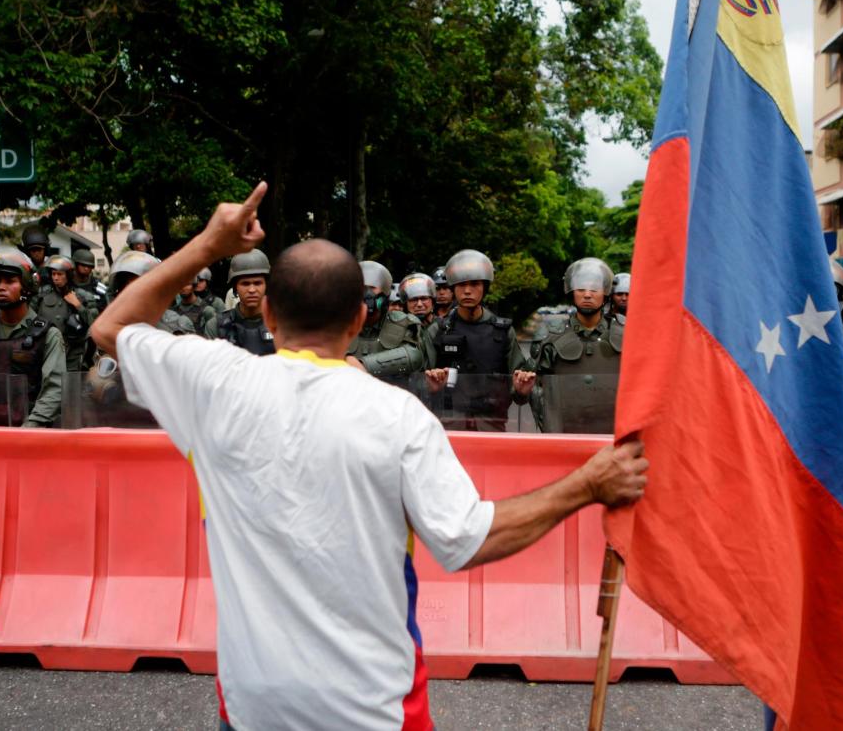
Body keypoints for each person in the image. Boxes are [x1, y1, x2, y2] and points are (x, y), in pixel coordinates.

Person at [89, 182, 647, 731]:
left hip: (253, 707)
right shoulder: (398, 417)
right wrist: (588, 484)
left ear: (270, 318)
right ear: (358, 320)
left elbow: (112, 326)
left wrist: (210, 244)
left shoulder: (212, 384)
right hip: (375, 709)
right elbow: (470, 538)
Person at [420, 249, 534, 431]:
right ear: (453, 288)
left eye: (474, 284)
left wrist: (521, 390)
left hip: (492, 426)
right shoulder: (437, 330)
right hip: (447, 427)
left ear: (485, 287)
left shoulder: (503, 332)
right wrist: (430, 386)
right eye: (460, 284)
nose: (467, 291)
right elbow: (419, 386)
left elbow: (519, 388)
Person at [0, 246, 65, 428]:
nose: (1, 287)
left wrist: (27, 430)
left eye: (10, 281)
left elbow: (54, 390)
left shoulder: (48, 335)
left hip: (30, 434)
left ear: (26, 286)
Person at [532, 258, 622, 433]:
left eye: (594, 289)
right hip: (565, 435)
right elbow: (536, 389)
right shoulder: (550, 337)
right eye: (580, 289)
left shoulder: (626, 334)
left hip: (613, 436)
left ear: (606, 293)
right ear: (571, 292)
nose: (587, 294)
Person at [346, 260, 423, 379]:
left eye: (372, 288)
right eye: (362, 288)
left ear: (385, 292)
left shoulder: (404, 323)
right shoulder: (339, 325)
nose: (367, 294)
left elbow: (414, 356)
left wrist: (361, 365)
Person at [32, 255, 94, 371]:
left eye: (60, 274)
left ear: (68, 276)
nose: (55, 278)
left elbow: (94, 325)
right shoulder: (41, 296)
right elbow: (29, 320)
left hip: (73, 355)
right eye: (53, 274)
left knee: (71, 386)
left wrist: (78, 305)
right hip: (46, 352)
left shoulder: (83, 296)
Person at [208, 250, 275, 355]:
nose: (252, 290)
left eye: (257, 283)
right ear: (235, 288)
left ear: (266, 286)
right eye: (245, 284)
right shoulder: (216, 326)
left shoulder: (283, 324)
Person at [71, 248, 105, 313]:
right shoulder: (66, 286)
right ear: (75, 264)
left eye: (89, 266)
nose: (86, 268)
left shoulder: (99, 288)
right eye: (83, 265)